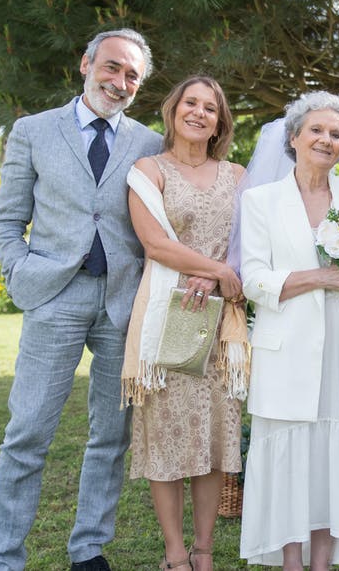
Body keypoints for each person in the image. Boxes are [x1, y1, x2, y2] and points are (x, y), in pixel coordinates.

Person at [0, 28, 161, 571]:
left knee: (111, 435)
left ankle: (88, 549)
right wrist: (20, 271)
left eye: (132, 75)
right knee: (27, 432)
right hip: (53, 296)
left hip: (121, 302)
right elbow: (7, 219)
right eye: (112, 67)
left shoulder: (150, 143)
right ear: (86, 63)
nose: (121, 82)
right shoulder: (34, 131)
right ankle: (3, 556)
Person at [238, 91, 339, 570]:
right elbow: (253, 279)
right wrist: (315, 278)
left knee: (330, 460)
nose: (327, 140)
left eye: (337, 134)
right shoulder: (261, 199)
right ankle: (290, 561)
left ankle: (321, 561)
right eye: (318, 131)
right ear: (293, 137)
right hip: (285, 350)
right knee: (287, 462)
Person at [121, 75, 246, 571]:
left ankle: (204, 550)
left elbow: (248, 247)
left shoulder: (237, 176)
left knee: (216, 436)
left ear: (220, 122)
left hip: (222, 323)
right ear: (173, 110)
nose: (199, 113)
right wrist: (214, 270)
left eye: (210, 108)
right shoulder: (148, 170)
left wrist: (221, 280)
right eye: (190, 103)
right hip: (169, 315)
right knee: (167, 435)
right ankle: (175, 554)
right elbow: (155, 243)